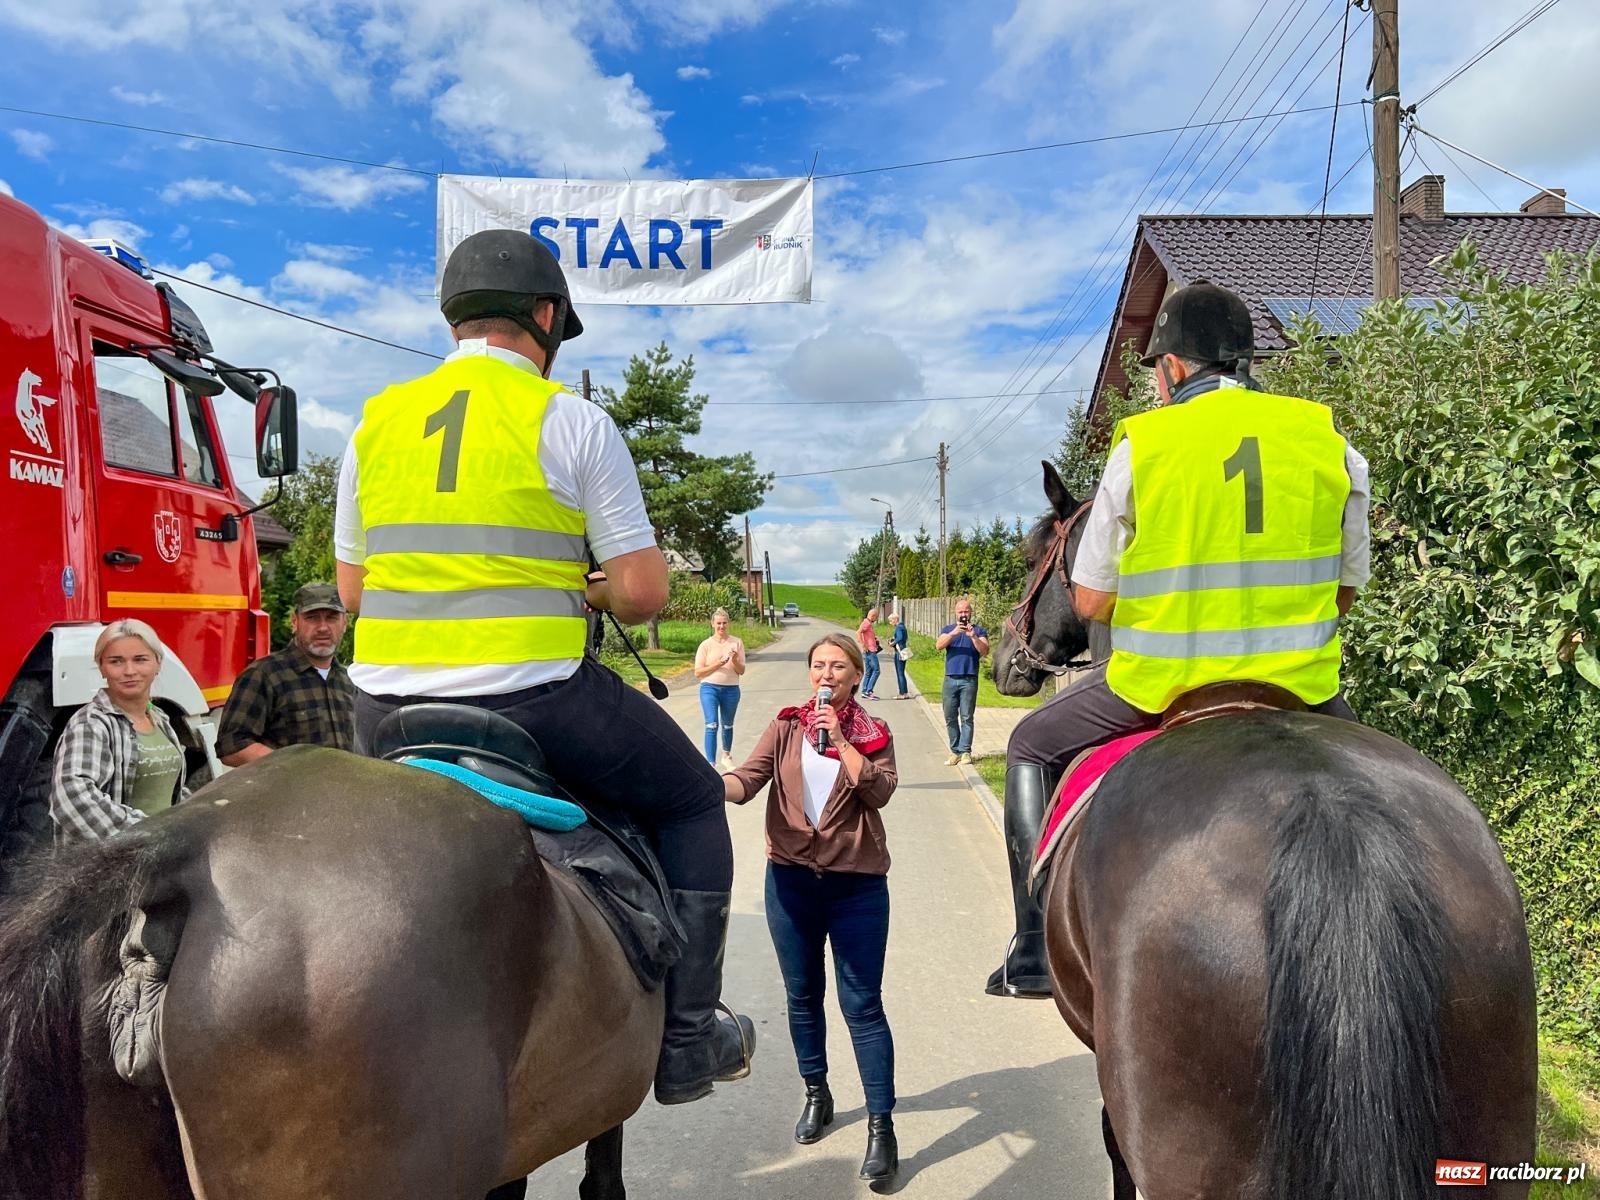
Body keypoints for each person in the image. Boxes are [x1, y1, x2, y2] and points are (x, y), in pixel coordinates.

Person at [333, 228, 753, 1118]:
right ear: (547, 316)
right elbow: (642, 594)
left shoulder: (374, 423)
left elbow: (355, 590)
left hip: (382, 709)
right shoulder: (570, 418)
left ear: (454, 316)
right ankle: (688, 1038)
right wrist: (583, 584)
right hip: (535, 699)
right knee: (690, 801)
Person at [985, 281, 1369, 999]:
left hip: (1160, 683)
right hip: (1304, 687)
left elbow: (1093, 598)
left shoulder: (1146, 445)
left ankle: (1032, 945)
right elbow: (1345, 592)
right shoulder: (1329, 439)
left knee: (1030, 745)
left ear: (1173, 369)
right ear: (1247, 361)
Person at [724, 633, 900, 1184]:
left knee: (862, 1004)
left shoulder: (873, 733)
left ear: (854, 675)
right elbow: (749, 779)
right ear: (811, 674)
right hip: (791, 883)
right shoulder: (785, 725)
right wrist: (708, 784)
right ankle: (816, 1093)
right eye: (818, 665)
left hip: (857, 888)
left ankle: (880, 1125)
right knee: (802, 996)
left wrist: (842, 741)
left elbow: (881, 791)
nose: (826, 673)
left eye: (838, 666)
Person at [51, 619, 188, 840]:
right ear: (102, 667)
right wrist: (144, 835)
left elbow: (167, 791)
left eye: (140, 659)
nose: (129, 671)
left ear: (158, 664)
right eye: (116, 661)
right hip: (115, 865)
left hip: (163, 857)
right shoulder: (91, 723)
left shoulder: (160, 719)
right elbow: (72, 796)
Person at [215, 582, 356, 765]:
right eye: (312, 618)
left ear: (344, 623)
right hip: (285, 792)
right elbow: (231, 746)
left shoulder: (350, 681)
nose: (323, 627)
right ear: (295, 621)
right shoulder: (264, 675)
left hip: (345, 790)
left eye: (331, 618)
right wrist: (293, 768)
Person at [936, 597, 988, 766]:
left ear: (971, 612)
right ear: (955, 613)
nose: (963, 614)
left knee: (966, 717)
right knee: (950, 716)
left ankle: (965, 751)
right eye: (960, 612)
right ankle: (955, 751)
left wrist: (973, 637)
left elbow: (985, 651)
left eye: (966, 611)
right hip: (950, 679)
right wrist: (954, 633)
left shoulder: (979, 631)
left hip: (969, 679)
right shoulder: (949, 629)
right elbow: (938, 645)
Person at [694, 607, 746, 769]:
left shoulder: (736, 643)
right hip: (709, 688)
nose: (721, 627)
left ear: (728, 624)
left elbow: (741, 671)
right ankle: (710, 762)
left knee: (727, 724)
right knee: (712, 724)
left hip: (731, 689)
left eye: (724, 623)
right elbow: (698, 672)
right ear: (712, 624)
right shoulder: (706, 645)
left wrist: (735, 659)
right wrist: (719, 663)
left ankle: (726, 755)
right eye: (718, 623)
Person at [856, 607, 882, 699]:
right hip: (870, 651)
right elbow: (858, 632)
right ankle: (868, 691)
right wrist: (863, 645)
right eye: (876, 617)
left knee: (869, 671)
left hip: (869, 650)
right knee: (876, 671)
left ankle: (864, 691)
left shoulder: (867, 623)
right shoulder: (866, 623)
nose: (876, 618)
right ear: (873, 616)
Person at [888, 610, 911, 699]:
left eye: (890, 621)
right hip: (904, 649)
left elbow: (900, 637)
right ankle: (905, 692)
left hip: (899, 651)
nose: (890, 623)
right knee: (902, 672)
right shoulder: (903, 626)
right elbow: (903, 637)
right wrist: (894, 638)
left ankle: (902, 693)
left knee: (899, 673)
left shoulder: (898, 627)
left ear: (895, 619)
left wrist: (892, 643)